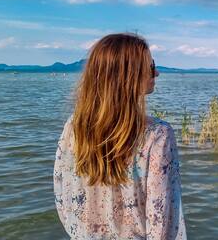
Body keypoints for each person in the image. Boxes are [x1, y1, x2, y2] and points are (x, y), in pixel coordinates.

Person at [53, 33, 187, 239]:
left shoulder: (74, 125)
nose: (157, 73)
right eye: (151, 67)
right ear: (129, 74)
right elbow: (162, 222)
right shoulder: (158, 135)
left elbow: (62, 196)